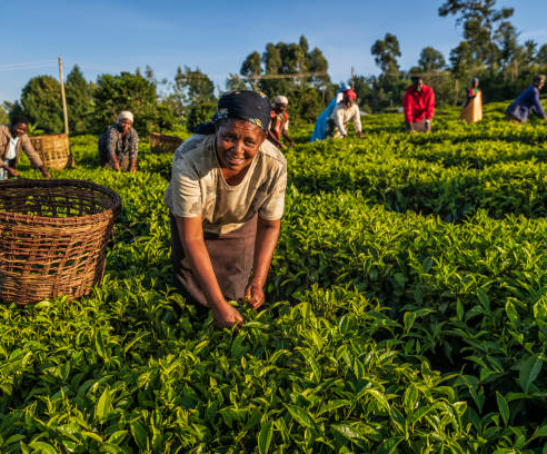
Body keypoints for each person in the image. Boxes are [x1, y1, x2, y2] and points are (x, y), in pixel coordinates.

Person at [164, 90, 287, 329]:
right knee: (191, 294)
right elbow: (191, 236)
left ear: (262, 139)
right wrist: (218, 305)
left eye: (249, 141)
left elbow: (270, 225)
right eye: (229, 137)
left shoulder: (274, 165)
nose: (237, 149)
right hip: (193, 225)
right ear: (217, 128)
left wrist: (258, 281)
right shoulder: (190, 157)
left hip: (240, 224)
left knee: (236, 291)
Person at [0, 116, 51, 180]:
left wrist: (42, 169)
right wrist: (7, 168)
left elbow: (32, 153)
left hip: (6, 162)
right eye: (19, 128)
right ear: (12, 125)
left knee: (4, 182)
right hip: (1, 162)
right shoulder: (2, 132)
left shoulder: (23, 136)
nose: (21, 132)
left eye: (24, 130)